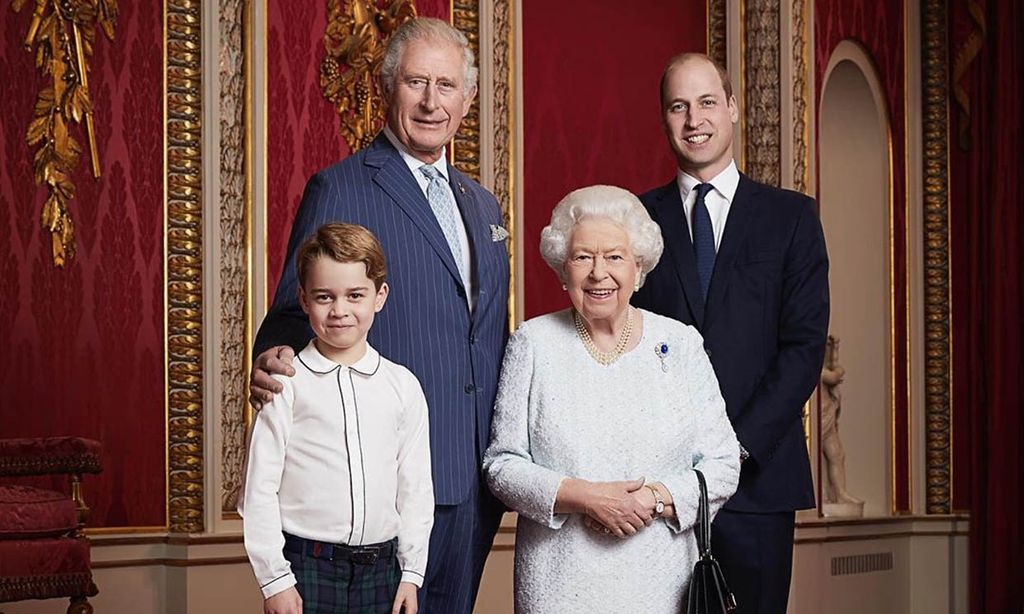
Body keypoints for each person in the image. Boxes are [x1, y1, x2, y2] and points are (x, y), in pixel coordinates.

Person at [249, 18, 510, 614]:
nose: (430, 100)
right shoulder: (340, 188)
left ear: (468, 98)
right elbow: (293, 312)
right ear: (389, 87)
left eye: (446, 85)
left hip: (476, 480)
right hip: (387, 484)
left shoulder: (483, 204)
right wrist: (274, 358)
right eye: (416, 82)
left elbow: (486, 333)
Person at [631, 52, 830, 614]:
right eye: (678, 106)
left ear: (734, 108)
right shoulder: (637, 221)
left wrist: (732, 453)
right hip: (660, 485)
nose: (694, 118)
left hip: (759, 481)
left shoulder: (791, 218)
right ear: (665, 119)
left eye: (707, 102)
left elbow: (803, 349)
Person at [483, 185, 740, 613]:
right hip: (558, 583)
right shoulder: (533, 343)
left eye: (615, 257)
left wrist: (653, 498)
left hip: (661, 580)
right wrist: (585, 497)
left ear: (638, 268)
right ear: (562, 270)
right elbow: (502, 465)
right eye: (583, 257)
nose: (598, 273)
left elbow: (724, 464)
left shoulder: (680, 344)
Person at [240, 223, 433, 614]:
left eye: (355, 295)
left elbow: (415, 490)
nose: (340, 310)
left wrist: (411, 573)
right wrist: (274, 579)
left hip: (383, 571)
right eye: (324, 297)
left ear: (380, 296)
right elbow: (257, 490)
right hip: (305, 567)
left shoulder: (402, 385)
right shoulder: (287, 383)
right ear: (304, 299)